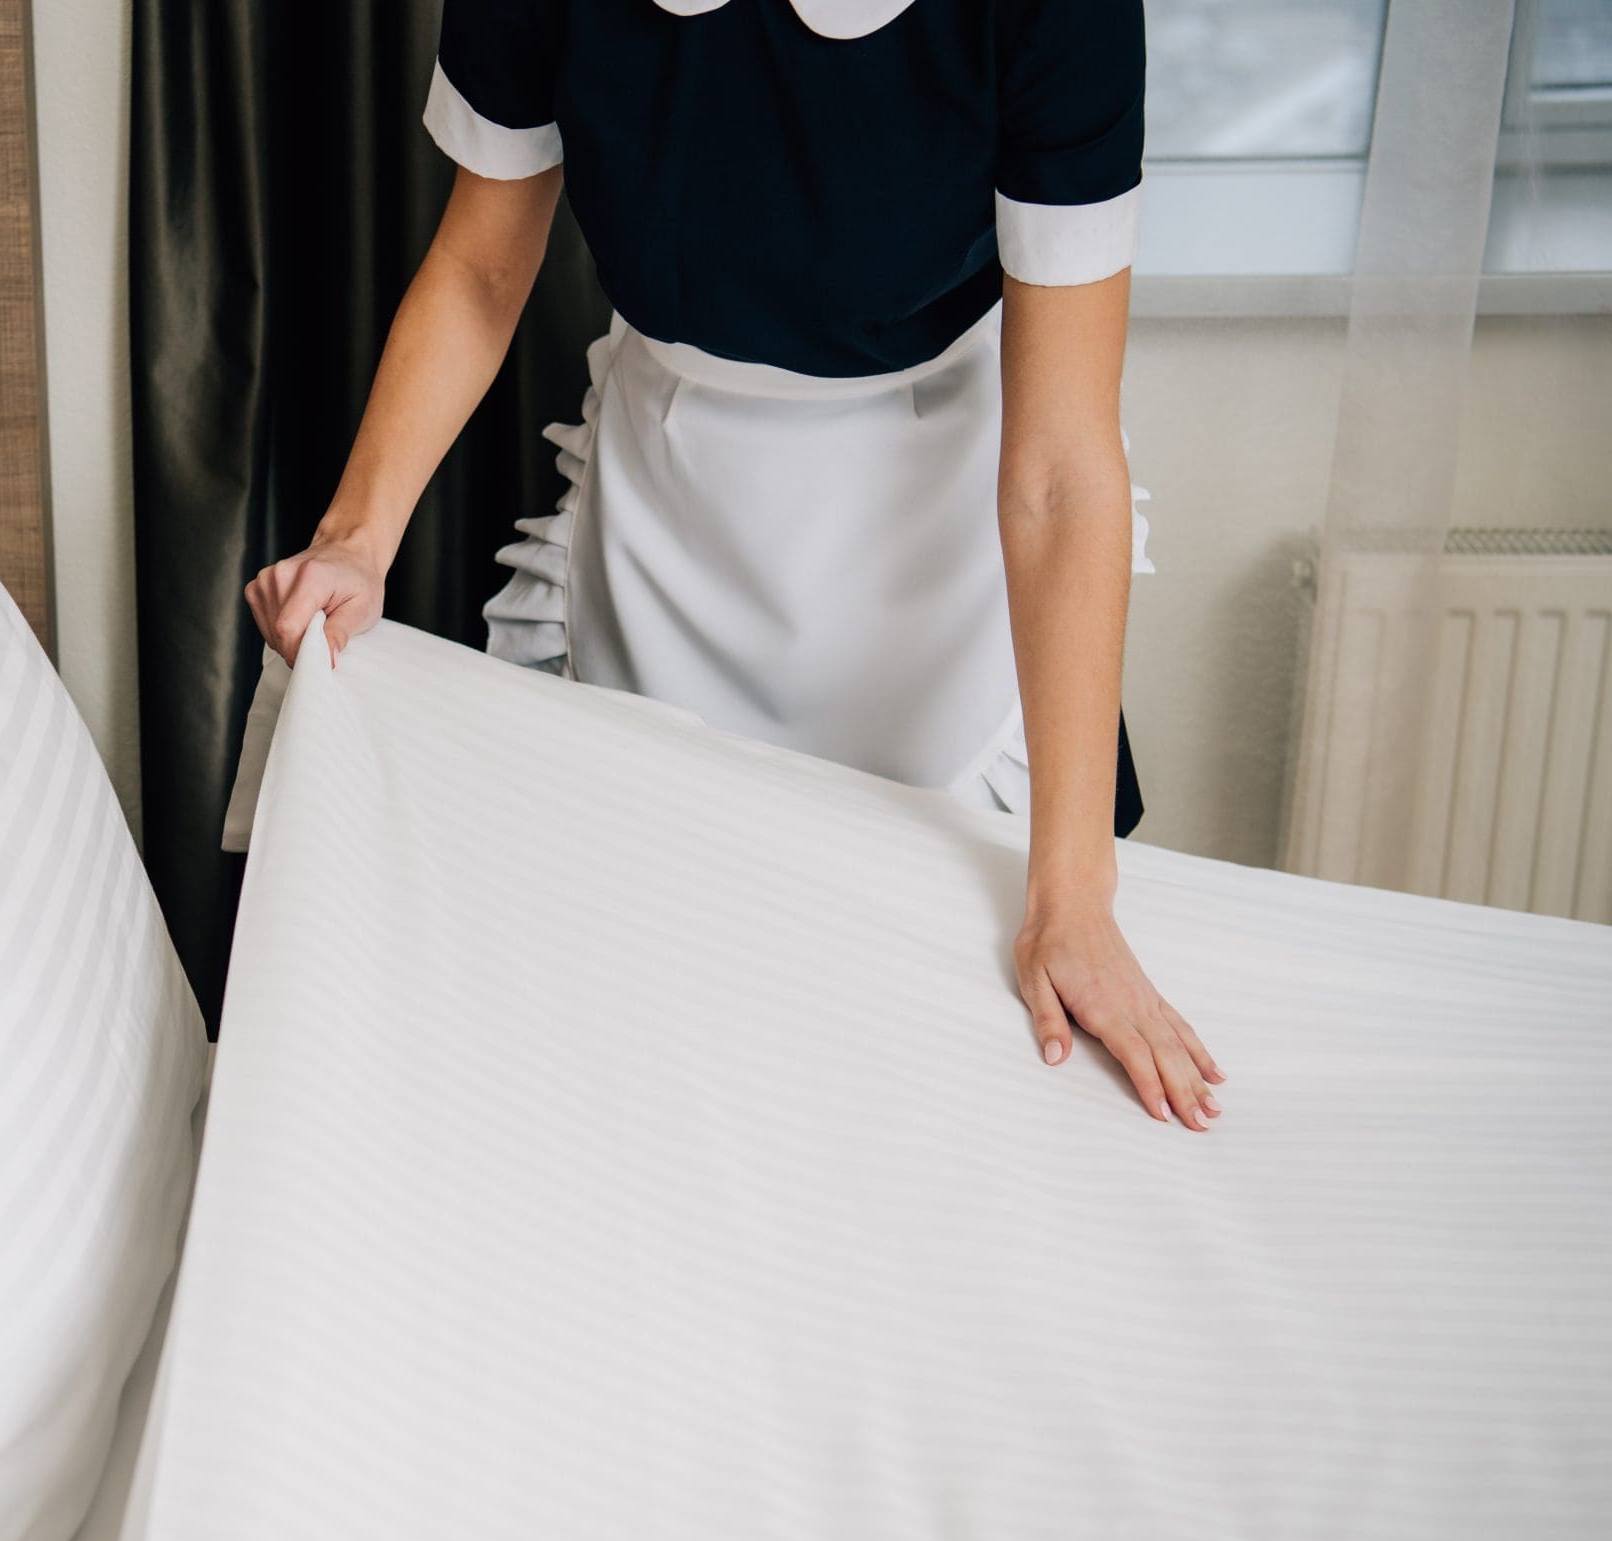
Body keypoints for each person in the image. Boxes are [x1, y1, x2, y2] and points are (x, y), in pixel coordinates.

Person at [243, 0, 1225, 1128]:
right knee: (645, 1031)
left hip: (943, 538)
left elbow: (1057, 470)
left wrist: (1073, 897)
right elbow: (478, 270)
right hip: (668, 510)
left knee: (932, 1065)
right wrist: (357, 537)